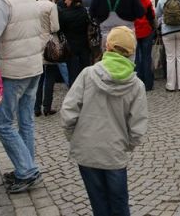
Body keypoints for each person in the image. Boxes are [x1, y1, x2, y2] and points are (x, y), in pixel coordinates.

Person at [61, 26, 148, 216]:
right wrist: (128, 145)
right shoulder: (136, 86)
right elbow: (138, 126)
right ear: (131, 53)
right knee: (119, 203)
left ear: (107, 46)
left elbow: (68, 112)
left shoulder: (87, 74)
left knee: (98, 202)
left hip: (86, 149)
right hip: (115, 152)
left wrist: (74, 137)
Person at [0, 0, 44, 193]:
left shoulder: (3, 2)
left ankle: (26, 170)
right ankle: (26, 167)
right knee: (26, 121)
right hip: (33, 67)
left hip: (12, 70)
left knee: (3, 123)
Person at [34, 0, 62, 117]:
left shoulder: (34, 4)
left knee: (38, 78)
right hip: (49, 43)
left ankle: (36, 108)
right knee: (50, 77)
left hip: (36, 43)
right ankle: (47, 107)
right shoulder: (51, 6)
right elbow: (55, 27)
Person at [61, 0, 91, 86]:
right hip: (84, 45)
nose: (65, 1)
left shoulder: (65, 14)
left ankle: (73, 94)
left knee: (72, 73)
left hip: (71, 46)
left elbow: (61, 29)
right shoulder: (84, 12)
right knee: (85, 71)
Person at [132, 0, 156, 91]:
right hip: (146, 30)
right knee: (147, 57)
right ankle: (148, 83)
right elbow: (152, 16)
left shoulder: (130, 0)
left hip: (134, 31)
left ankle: (138, 82)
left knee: (136, 58)